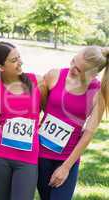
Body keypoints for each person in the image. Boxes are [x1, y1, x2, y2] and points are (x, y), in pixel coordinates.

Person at [37, 46, 109, 200]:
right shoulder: (54, 75)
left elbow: (89, 133)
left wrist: (66, 167)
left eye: (79, 69)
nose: (72, 68)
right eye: (73, 61)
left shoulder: (98, 94)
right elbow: (40, 106)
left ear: (93, 74)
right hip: (40, 153)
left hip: (67, 157)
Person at [0, 41, 47, 200]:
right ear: (0, 67)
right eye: (14, 60)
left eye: (19, 57)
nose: (20, 62)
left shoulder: (37, 81)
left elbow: (49, 110)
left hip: (28, 159)